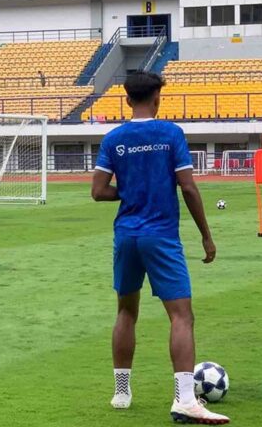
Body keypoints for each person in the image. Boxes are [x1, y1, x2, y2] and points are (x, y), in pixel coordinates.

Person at [92, 71, 229, 424]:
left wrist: (130, 191)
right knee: (181, 315)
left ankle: (121, 392)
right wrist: (206, 235)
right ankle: (185, 399)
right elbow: (188, 188)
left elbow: (98, 191)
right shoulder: (170, 133)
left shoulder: (114, 139)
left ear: (127, 100)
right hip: (161, 235)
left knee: (126, 311)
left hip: (126, 234)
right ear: (157, 98)